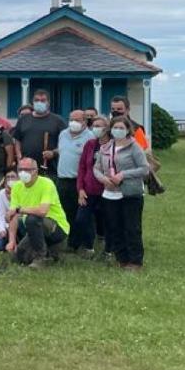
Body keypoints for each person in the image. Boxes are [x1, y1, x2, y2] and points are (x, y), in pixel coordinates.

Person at [93, 117, 149, 270]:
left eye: (121, 127)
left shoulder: (134, 147)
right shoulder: (106, 148)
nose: (118, 130)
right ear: (110, 129)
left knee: (131, 227)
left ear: (127, 129)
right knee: (114, 227)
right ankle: (122, 259)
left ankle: (135, 261)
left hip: (130, 193)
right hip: (110, 193)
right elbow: (96, 168)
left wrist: (123, 175)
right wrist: (104, 179)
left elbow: (144, 169)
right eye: (115, 127)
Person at [5, 157, 69, 267]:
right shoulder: (16, 187)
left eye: (27, 170)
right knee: (19, 257)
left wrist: (20, 209)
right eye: (20, 169)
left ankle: (41, 257)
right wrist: (11, 240)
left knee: (32, 219)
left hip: (56, 227)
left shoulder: (47, 184)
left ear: (36, 171)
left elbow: (43, 211)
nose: (23, 172)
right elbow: (13, 215)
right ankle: (49, 253)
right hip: (34, 229)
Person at [54, 109, 95, 247]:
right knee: (66, 213)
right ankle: (72, 242)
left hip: (79, 181)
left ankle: (86, 243)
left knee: (82, 215)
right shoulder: (63, 134)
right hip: (63, 180)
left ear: (84, 122)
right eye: (71, 119)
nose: (73, 122)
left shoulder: (90, 137)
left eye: (77, 120)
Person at [75, 116, 110, 255]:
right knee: (82, 219)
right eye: (94, 125)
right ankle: (89, 247)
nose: (96, 128)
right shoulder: (90, 144)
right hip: (89, 190)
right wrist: (80, 189)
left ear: (107, 128)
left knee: (107, 220)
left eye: (99, 125)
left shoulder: (113, 145)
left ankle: (108, 249)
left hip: (108, 191)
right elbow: (82, 167)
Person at [11, 90, 67, 176]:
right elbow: (18, 140)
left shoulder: (58, 120)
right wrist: (19, 158)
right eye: (36, 100)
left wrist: (54, 152)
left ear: (48, 103)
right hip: (27, 168)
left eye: (43, 100)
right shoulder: (23, 119)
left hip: (50, 169)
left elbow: (66, 143)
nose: (39, 102)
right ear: (33, 102)